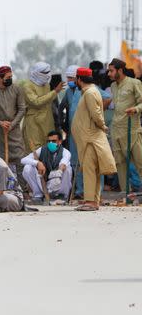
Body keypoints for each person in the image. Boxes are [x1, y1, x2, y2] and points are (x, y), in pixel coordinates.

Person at [72, 67, 117, 211]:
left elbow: (96, 113)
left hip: (90, 138)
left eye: (76, 79)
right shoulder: (90, 91)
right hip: (88, 137)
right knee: (93, 169)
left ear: (79, 79)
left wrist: (103, 126)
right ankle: (93, 200)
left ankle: (91, 202)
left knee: (90, 169)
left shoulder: (90, 93)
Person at [107, 58, 142, 193]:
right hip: (116, 130)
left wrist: (135, 109)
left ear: (120, 70)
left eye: (111, 71)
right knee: (119, 163)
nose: (108, 74)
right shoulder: (113, 86)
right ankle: (125, 192)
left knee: (140, 162)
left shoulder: (134, 83)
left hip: (132, 129)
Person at [21, 130, 73, 202]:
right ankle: (38, 195)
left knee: (68, 169)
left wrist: (59, 172)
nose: (51, 143)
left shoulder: (65, 152)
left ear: (60, 141)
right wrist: (38, 163)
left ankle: (62, 195)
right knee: (27, 168)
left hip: (58, 183)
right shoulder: (42, 150)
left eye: (54, 141)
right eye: (49, 141)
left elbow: (63, 163)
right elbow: (23, 160)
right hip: (44, 183)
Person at [22, 62, 64, 152]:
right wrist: (55, 91)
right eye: (45, 73)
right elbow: (36, 102)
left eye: (49, 72)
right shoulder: (28, 86)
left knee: (49, 149)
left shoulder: (47, 86)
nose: (48, 75)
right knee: (35, 151)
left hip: (47, 122)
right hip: (34, 124)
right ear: (37, 73)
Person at [58, 65, 84, 197]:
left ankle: (94, 190)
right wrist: (62, 124)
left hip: (85, 131)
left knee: (88, 160)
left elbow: (106, 97)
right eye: (67, 78)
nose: (68, 80)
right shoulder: (68, 92)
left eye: (71, 78)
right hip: (72, 133)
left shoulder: (87, 89)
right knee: (74, 161)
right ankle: (79, 190)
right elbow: (61, 107)